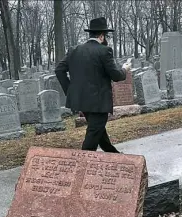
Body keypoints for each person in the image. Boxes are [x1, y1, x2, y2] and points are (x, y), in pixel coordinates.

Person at [55, 17, 131, 152]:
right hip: (99, 102)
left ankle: (113, 155)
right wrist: (125, 69)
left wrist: (71, 91)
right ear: (101, 36)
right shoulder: (104, 51)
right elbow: (116, 76)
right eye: (105, 36)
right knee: (93, 134)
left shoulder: (74, 50)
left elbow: (59, 70)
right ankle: (82, 162)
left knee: (98, 130)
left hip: (81, 101)